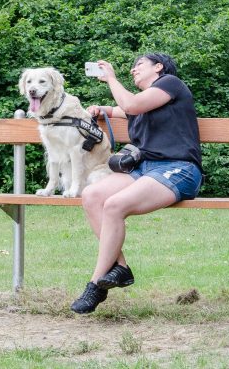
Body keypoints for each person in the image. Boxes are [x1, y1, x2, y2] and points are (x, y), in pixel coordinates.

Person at [70, 53, 203, 314]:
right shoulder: (145, 103)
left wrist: (110, 78)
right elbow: (120, 109)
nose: (133, 70)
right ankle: (120, 268)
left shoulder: (170, 83)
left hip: (179, 169)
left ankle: (96, 284)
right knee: (93, 196)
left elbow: (130, 106)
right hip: (144, 169)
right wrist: (101, 110)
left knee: (115, 205)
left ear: (159, 67)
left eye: (139, 65)